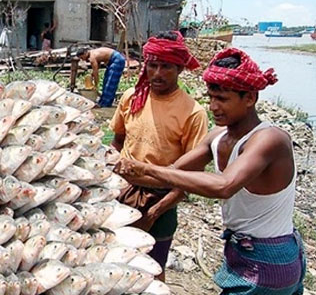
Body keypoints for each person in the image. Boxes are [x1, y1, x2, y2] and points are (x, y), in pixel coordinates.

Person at [116, 48, 305, 294]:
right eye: (210, 98)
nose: (214, 107)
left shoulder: (270, 139)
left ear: (249, 98)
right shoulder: (218, 136)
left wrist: (145, 168)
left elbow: (223, 186)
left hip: (268, 259)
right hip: (239, 250)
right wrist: (112, 169)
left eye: (222, 99)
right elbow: (173, 171)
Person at [109, 31, 208, 281]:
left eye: (166, 67)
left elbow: (191, 177)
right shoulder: (133, 97)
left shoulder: (192, 113)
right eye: (152, 65)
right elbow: (118, 140)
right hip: (122, 191)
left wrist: (154, 214)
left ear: (180, 70)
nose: (157, 73)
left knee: (153, 270)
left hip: (161, 198)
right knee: (115, 262)